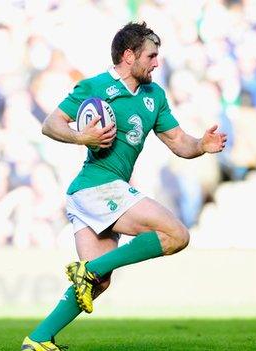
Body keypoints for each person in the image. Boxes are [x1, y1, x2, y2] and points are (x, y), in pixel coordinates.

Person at [21, 22, 227, 350]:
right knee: (177, 235)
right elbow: (50, 124)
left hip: (90, 194)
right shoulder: (95, 86)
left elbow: (178, 142)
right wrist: (81, 136)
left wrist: (201, 144)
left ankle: (38, 339)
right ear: (129, 56)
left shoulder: (154, 96)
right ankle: (87, 271)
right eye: (152, 55)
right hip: (97, 186)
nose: (157, 63)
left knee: (98, 281)